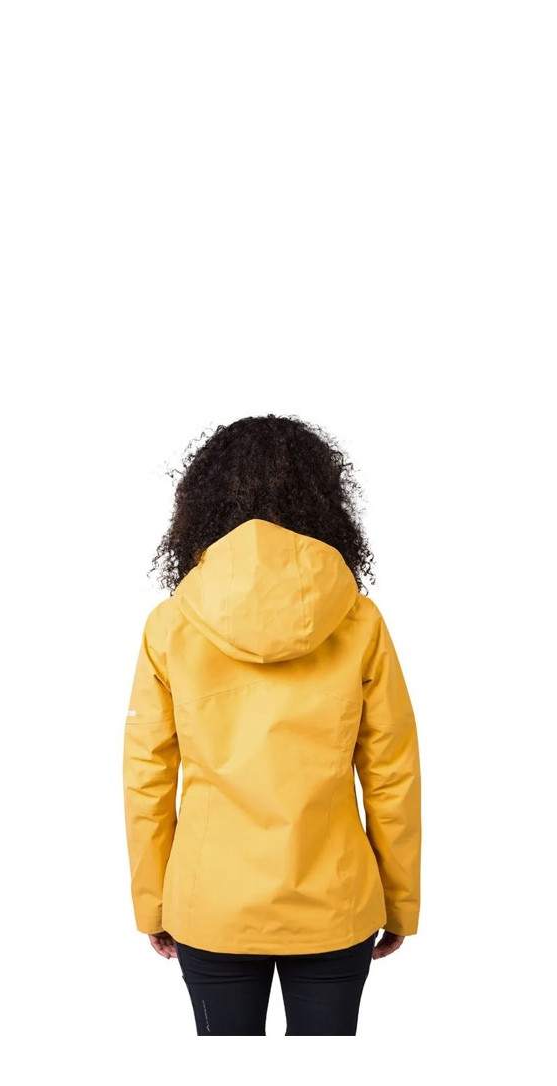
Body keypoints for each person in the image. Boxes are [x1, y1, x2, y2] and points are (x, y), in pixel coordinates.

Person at [122, 414, 421, 1036]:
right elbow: (391, 774)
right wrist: (399, 901)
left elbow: (147, 778)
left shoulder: (171, 625)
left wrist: (153, 901)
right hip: (335, 903)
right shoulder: (359, 621)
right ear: (324, 502)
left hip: (212, 904)